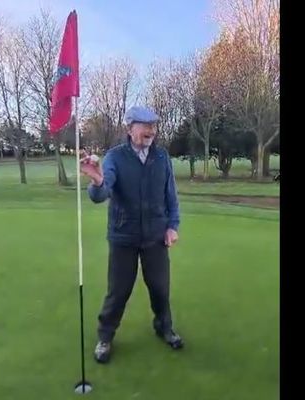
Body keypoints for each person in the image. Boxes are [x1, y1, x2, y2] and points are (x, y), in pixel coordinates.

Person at [79, 105, 184, 364]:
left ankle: (164, 327)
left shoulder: (162, 158)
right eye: (144, 125)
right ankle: (105, 337)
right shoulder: (115, 157)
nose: (151, 130)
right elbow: (102, 194)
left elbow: (171, 196)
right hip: (123, 237)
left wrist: (173, 226)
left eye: (153, 126)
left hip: (155, 236)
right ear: (129, 128)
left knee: (160, 288)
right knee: (119, 291)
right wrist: (97, 181)